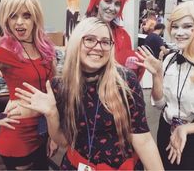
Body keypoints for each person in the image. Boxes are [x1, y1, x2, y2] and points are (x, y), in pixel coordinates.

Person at [15, 17, 164, 170]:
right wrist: (51, 114)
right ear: (77, 43)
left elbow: (143, 139)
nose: (98, 47)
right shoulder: (60, 86)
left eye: (105, 42)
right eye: (90, 39)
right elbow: (63, 141)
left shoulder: (126, 81)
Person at [0, 0, 57, 170]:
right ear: (6, 19)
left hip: (43, 130)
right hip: (18, 137)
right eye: (13, 16)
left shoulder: (44, 47)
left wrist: (54, 134)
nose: (19, 22)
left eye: (26, 15)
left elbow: (52, 92)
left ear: (35, 17)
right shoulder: (5, 51)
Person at [136, 1, 194, 170]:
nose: (179, 32)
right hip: (166, 133)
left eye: (187, 26)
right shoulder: (170, 60)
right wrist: (157, 75)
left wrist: (186, 129)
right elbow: (161, 104)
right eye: (175, 26)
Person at [86, 0, 145, 81]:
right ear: (98, 3)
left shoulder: (123, 36)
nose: (112, 8)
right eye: (108, 1)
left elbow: (129, 73)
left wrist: (136, 63)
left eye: (117, 4)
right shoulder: (83, 30)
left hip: (114, 91)